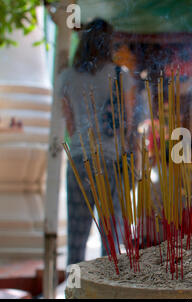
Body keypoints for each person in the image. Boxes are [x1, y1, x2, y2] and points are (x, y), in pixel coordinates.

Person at [57, 18, 136, 265]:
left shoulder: (66, 77)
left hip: (79, 159)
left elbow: (69, 124)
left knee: (77, 236)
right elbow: (128, 124)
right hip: (110, 160)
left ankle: (74, 287)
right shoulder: (119, 76)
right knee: (111, 238)